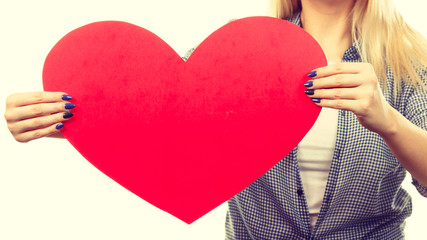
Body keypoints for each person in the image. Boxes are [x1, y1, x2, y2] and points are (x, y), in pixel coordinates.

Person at [4, 0, 427, 239]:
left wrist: (388, 121)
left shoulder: (410, 61)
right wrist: (56, 121)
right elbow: (160, 117)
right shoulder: (241, 50)